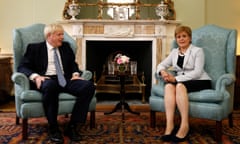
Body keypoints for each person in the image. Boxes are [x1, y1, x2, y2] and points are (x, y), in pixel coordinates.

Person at [18, 23, 95, 143]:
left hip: (65, 79)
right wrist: (36, 77)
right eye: (59, 34)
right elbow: (22, 67)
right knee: (50, 86)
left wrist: (75, 74)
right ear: (49, 36)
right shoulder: (34, 48)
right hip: (46, 79)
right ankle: (53, 128)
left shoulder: (65, 47)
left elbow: (73, 64)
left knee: (88, 86)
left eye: (62, 34)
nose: (62, 37)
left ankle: (73, 126)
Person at [156, 25, 212, 142]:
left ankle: (184, 125)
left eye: (184, 36)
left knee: (180, 86)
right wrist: (163, 72)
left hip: (201, 80)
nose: (181, 39)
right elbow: (161, 65)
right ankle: (170, 125)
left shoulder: (198, 51)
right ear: (176, 39)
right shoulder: (174, 52)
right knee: (168, 87)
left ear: (190, 38)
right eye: (178, 37)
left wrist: (176, 79)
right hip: (183, 80)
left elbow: (197, 72)